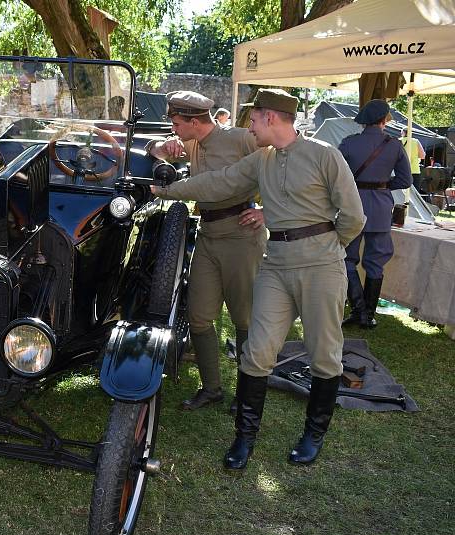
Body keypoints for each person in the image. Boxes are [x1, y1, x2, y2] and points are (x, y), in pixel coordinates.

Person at [151, 89, 365, 469]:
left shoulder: (324, 155)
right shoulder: (262, 159)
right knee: (257, 351)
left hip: (320, 265)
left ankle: (313, 434)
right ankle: (244, 438)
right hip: (276, 263)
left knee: (324, 353)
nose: (247, 124)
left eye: (253, 118)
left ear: (270, 118)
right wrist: (165, 191)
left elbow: (353, 217)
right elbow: (217, 183)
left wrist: (326, 248)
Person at [148, 91, 264, 412]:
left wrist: (268, 211)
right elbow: (152, 147)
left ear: (194, 121)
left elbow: (283, 163)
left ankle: (247, 396)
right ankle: (211, 388)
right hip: (208, 234)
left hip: (242, 234)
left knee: (244, 320)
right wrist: (163, 147)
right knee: (199, 318)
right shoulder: (192, 142)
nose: (173, 129)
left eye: (176, 123)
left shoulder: (241, 139)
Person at [339, 100, 411, 329]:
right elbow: (405, 180)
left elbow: (336, 177)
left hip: (353, 207)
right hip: (380, 208)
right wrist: (382, 185)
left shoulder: (349, 144)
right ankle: (368, 315)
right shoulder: (394, 145)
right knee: (376, 262)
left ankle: (358, 310)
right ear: (384, 120)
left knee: (347, 259)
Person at [399, 127, 425, 192]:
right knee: (414, 193)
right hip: (414, 171)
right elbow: (422, 156)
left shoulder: (398, 141)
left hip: (401, 170)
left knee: (402, 193)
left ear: (403, 133)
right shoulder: (416, 141)